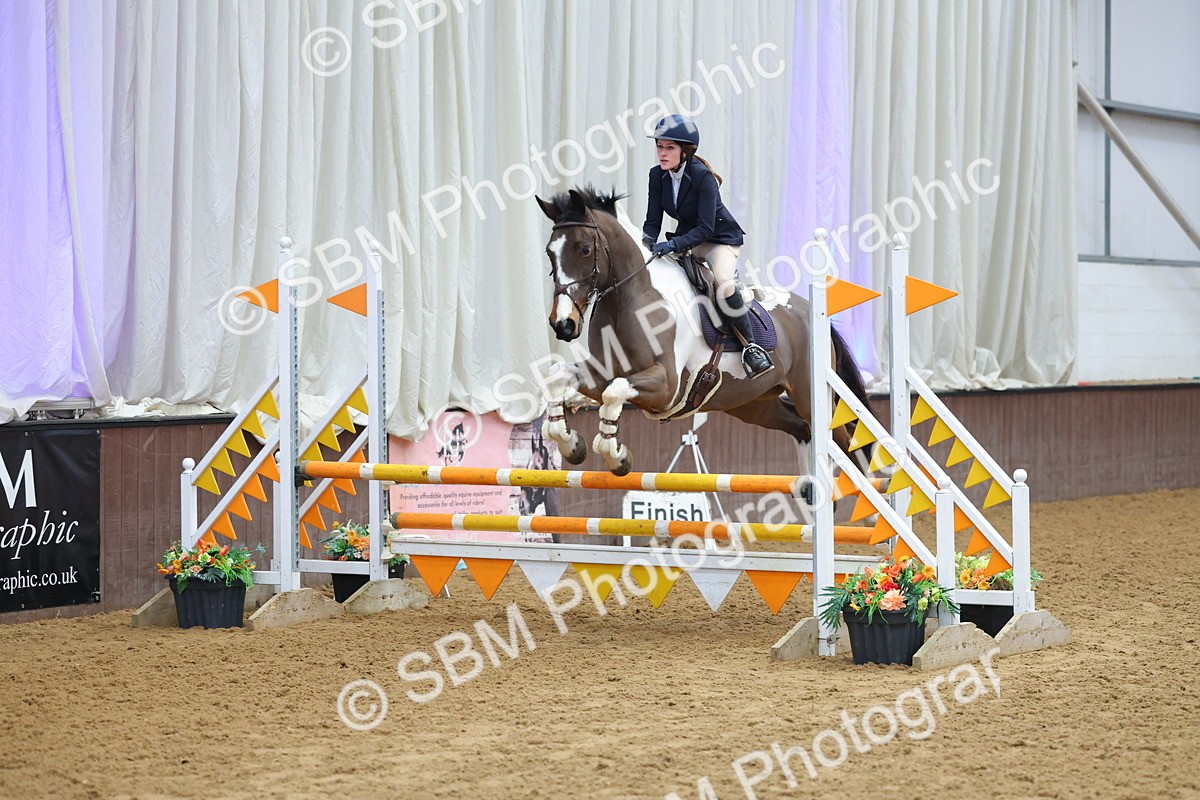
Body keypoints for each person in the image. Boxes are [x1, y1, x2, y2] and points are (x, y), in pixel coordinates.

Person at [641, 114, 774, 378]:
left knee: (723, 284)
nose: (662, 153)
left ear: (685, 151)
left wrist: (673, 244)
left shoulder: (703, 177)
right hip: (687, 241)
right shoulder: (657, 176)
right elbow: (653, 220)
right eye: (659, 146)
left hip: (718, 241)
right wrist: (645, 245)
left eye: (669, 148)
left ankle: (752, 348)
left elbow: (706, 228)